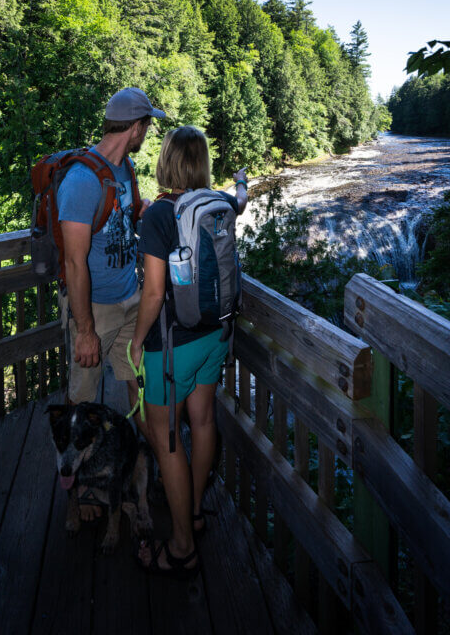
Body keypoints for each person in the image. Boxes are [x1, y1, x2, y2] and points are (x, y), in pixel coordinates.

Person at [130, 126, 248, 577]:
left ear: (166, 162)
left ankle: (182, 547)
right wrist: (241, 181)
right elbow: (241, 200)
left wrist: (137, 341)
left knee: (166, 441)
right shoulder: (220, 204)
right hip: (216, 335)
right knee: (202, 422)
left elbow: (153, 292)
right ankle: (195, 513)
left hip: (171, 345)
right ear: (202, 164)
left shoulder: (159, 215)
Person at [58, 87, 165, 519]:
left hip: (131, 299)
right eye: (147, 125)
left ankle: (152, 467)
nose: (147, 133)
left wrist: (143, 210)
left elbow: (126, 214)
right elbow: (73, 261)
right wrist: (85, 330)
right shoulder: (81, 181)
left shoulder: (126, 169)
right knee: (82, 398)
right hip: (96, 310)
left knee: (138, 387)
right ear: (135, 127)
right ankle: (80, 490)